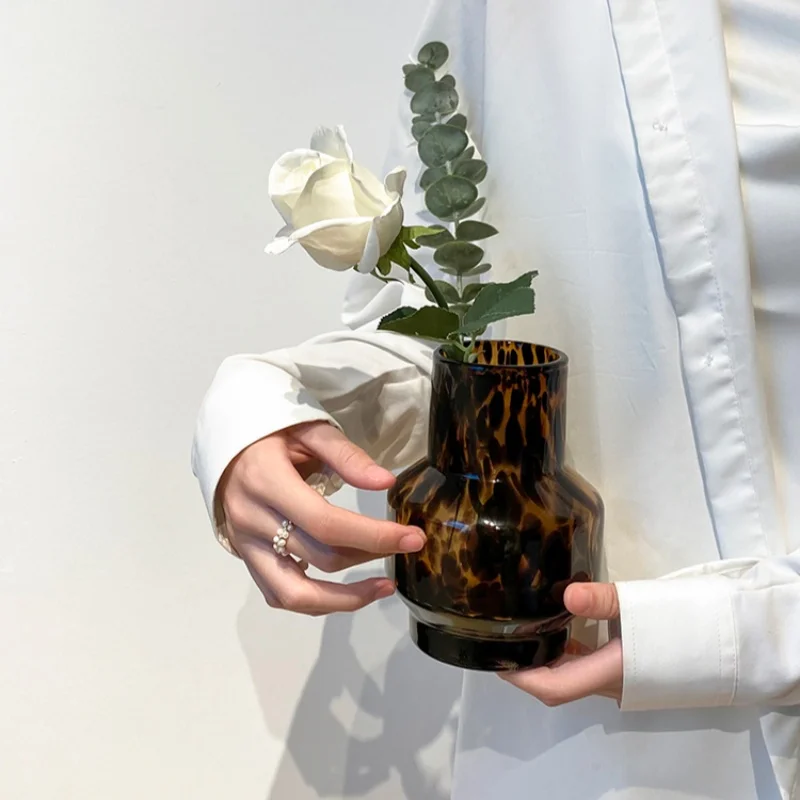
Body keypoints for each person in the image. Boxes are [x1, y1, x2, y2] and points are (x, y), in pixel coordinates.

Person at [192, 1, 800, 797]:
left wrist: (732, 637)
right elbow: (452, 338)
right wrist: (264, 407)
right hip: (584, 741)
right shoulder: (518, 17)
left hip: (610, 671)